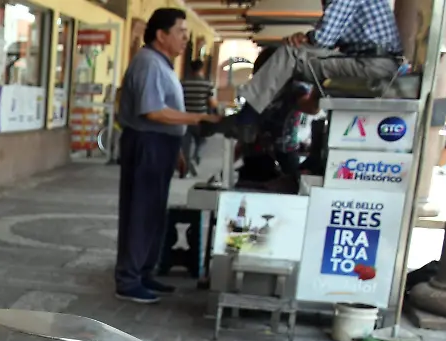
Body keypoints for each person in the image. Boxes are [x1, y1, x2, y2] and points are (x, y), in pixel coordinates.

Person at [114, 8, 219, 304]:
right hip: (147, 143)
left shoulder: (163, 64)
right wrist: (197, 118)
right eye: (181, 33)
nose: (185, 39)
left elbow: (163, 112)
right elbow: (153, 111)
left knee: (154, 213)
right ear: (161, 35)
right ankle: (128, 280)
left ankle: (144, 272)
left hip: (161, 143)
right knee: (141, 212)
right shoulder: (148, 63)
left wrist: (178, 152)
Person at [211, 0, 402, 140]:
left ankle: (246, 119)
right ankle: (249, 117)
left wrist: (304, 39)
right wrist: (306, 39)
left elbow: (324, 38)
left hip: (371, 64)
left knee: (291, 54)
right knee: (299, 54)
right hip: (370, 61)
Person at [179, 59, 216, 178]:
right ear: (202, 69)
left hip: (185, 119)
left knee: (186, 145)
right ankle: (196, 156)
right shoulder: (207, 84)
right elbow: (212, 103)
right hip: (201, 119)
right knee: (202, 140)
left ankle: (186, 167)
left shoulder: (183, 83)